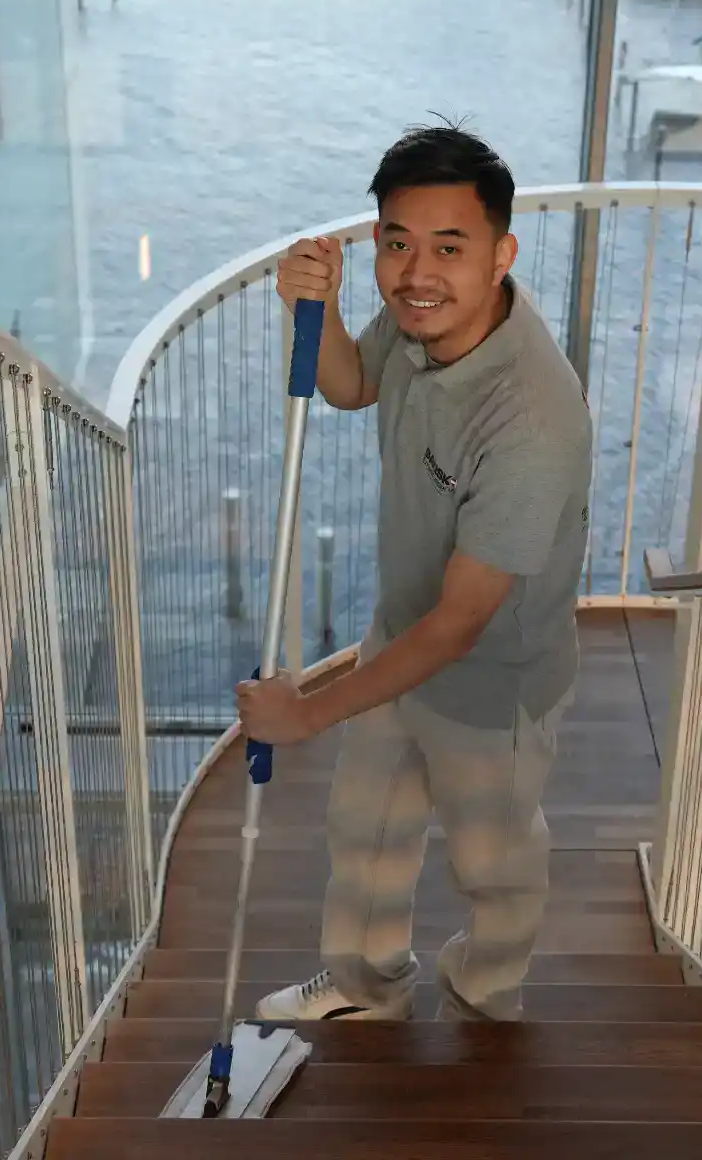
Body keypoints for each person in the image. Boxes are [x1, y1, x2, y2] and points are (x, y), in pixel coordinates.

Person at [233, 125, 593, 1022]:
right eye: (397, 242)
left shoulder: (530, 421)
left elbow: (461, 625)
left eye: (449, 247)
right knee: (367, 829)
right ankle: (366, 985)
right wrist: (305, 312)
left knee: (493, 861)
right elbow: (350, 385)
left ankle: (485, 986)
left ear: (501, 254)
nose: (416, 270)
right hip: (402, 636)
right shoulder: (417, 320)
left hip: (492, 683)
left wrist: (308, 712)